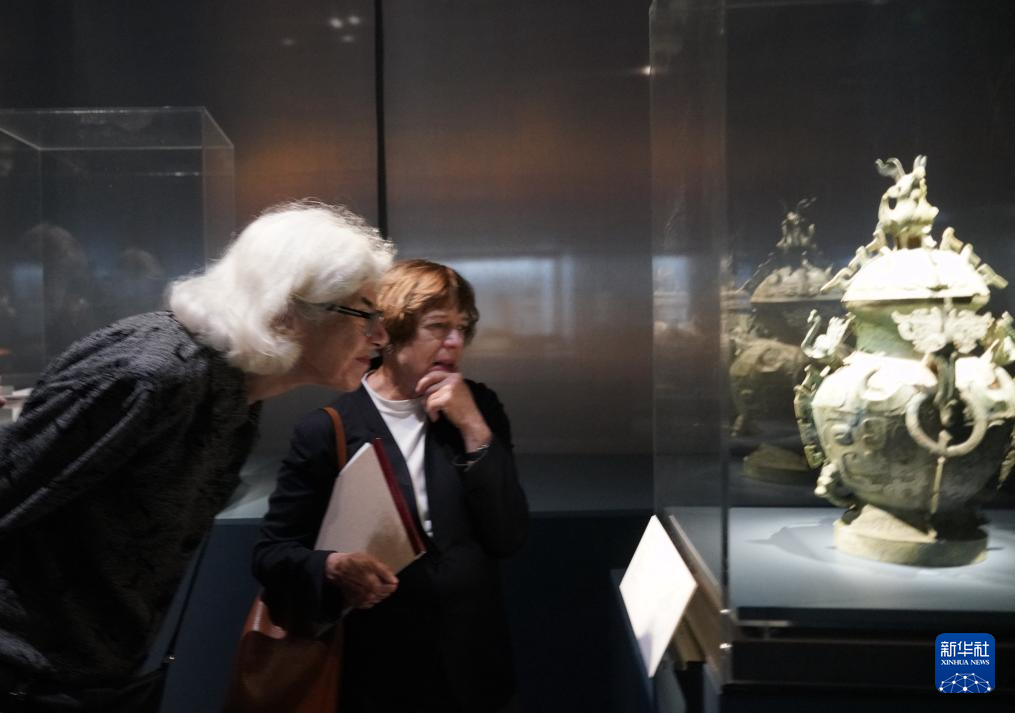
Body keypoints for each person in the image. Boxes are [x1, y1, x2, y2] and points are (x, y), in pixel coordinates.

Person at [0, 200, 394, 711]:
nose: (380, 336)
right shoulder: (152, 374)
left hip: (97, 677)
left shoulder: (234, 388)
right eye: (365, 313)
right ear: (288, 309)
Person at [254, 259, 529, 713]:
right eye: (438, 327)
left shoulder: (477, 405)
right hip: (378, 670)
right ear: (390, 331)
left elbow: (508, 536)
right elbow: (272, 553)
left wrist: (475, 430)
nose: (455, 342)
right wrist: (332, 566)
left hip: (475, 665)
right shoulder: (329, 428)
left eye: (462, 327)